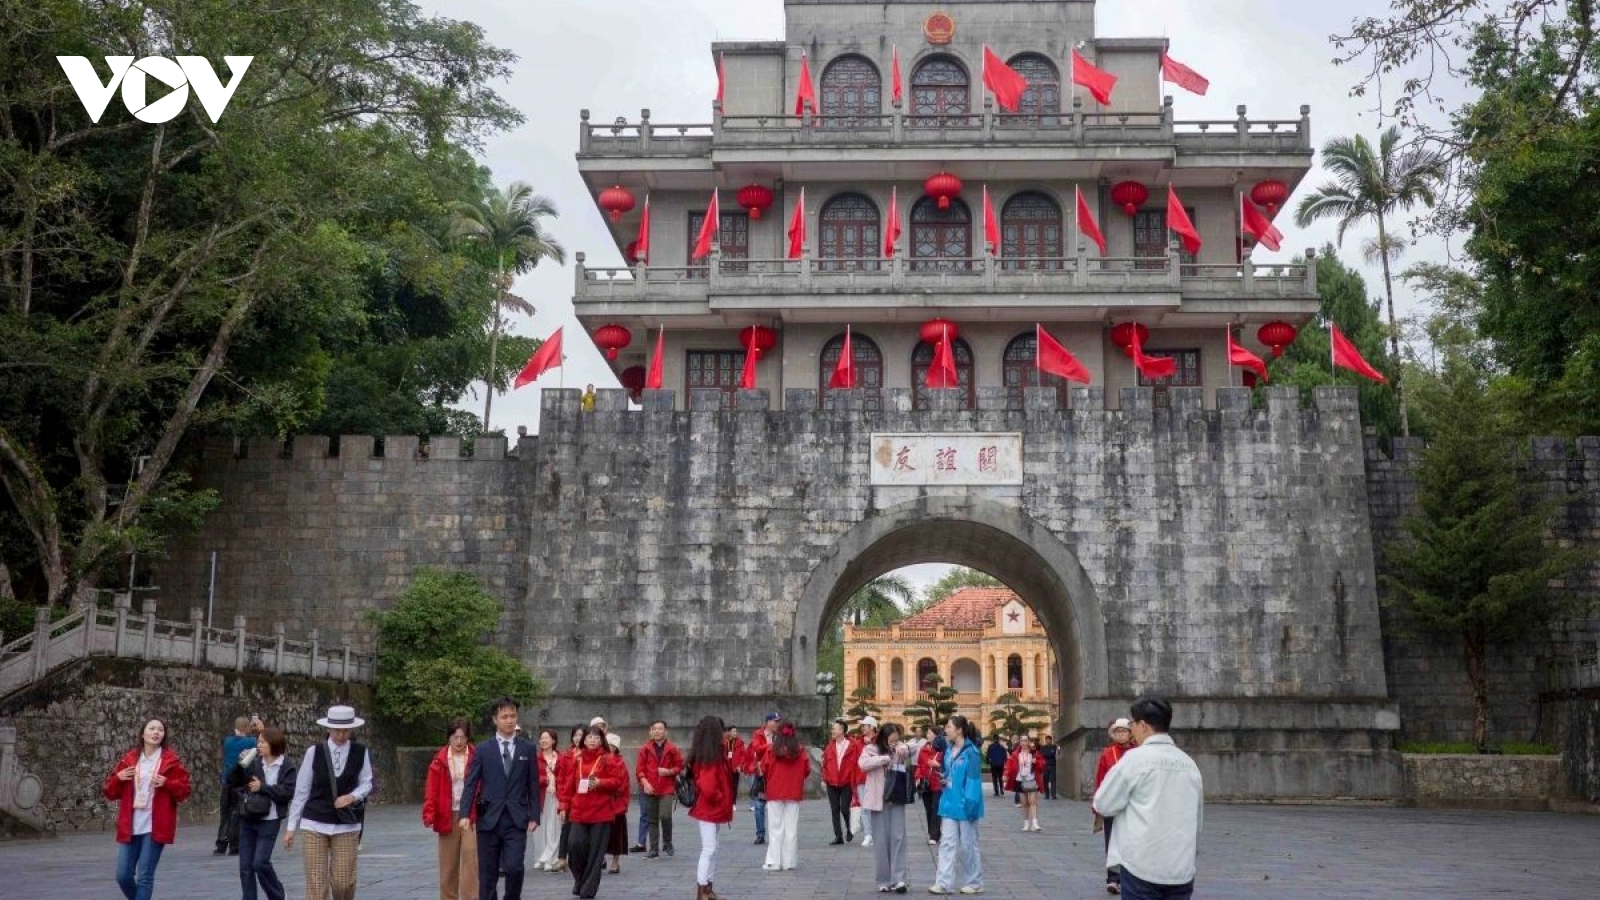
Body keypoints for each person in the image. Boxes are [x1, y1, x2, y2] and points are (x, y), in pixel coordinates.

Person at [1092, 697, 1204, 900]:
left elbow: (1103, 803)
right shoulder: (1189, 764)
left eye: (1132, 724)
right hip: (1181, 868)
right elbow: (1198, 818)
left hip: (1142, 867)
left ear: (1143, 725)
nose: (1131, 729)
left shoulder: (1134, 760)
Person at [285, 704, 375, 900]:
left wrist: (352, 796)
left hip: (346, 824)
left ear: (351, 729)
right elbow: (301, 790)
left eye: (345, 730)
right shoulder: (313, 752)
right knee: (316, 884)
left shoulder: (361, 752)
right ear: (328, 728)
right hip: (314, 823)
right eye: (336, 730)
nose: (340, 735)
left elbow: (367, 783)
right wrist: (291, 827)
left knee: (344, 883)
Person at [460, 697, 542, 900]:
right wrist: (464, 814)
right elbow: (471, 783)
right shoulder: (483, 749)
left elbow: (533, 784)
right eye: (504, 716)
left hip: (516, 819)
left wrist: (534, 815)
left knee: (514, 867)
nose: (509, 720)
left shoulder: (528, 749)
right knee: (487, 873)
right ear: (495, 720)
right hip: (489, 818)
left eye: (512, 715)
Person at [105, 718, 192, 900]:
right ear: (142, 734)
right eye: (151, 728)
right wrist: (118, 778)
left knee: (144, 876)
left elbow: (184, 791)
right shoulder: (129, 760)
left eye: (160, 729)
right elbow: (110, 792)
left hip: (155, 826)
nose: (156, 732)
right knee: (123, 876)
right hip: (131, 825)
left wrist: (167, 783)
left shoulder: (171, 761)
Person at [229, 725, 296, 900]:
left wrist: (262, 787)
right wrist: (239, 764)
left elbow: (287, 792)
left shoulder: (286, 765)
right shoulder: (254, 762)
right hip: (249, 817)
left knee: (260, 862)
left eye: (262, 742)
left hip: (270, 819)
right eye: (258, 742)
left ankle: (277, 894)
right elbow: (232, 782)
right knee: (245, 867)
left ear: (273, 743)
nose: (259, 745)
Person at [561, 724, 627, 899]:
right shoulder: (578, 758)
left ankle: (588, 889)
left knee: (596, 854)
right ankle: (580, 879)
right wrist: (564, 806)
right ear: (583, 739)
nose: (592, 740)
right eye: (589, 737)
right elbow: (569, 786)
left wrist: (600, 783)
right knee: (574, 846)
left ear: (601, 740)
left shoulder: (608, 758)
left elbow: (617, 782)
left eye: (596, 737)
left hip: (601, 812)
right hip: (578, 811)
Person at [422, 718, 477, 900]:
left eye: (462, 737)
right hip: (447, 814)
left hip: (471, 814)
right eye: (455, 737)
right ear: (449, 738)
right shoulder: (439, 760)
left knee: (471, 860)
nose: (459, 742)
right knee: (448, 864)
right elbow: (432, 789)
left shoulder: (477, 757)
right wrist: (429, 812)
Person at [929, 715, 984, 896]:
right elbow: (950, 773)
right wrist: (943, 776)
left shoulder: (972, 753)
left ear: (959, 730)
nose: (946, 730)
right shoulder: (949, 751)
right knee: (947, 844)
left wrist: (971, 805)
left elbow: (974, 782)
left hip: (966, 805)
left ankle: (974, 882)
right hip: (949, 803)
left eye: (949, 727)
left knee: (968, 845)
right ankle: (943, 883)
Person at [686, 715, 735, 900]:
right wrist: (720, 797)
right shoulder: (711, 757)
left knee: (713, 848)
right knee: (709, 849)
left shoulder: (710, 754)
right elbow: (708, 787)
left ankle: (708, 887)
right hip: (710, 807)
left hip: (712, 808)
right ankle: (702, 890)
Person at [860, 721, 911, 894]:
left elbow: (909, 749)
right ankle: (883, 880)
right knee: (881, 841)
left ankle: (899, 879)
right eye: (890, 740)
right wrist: (884, 758)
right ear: (883, 738)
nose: (893, 743)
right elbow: (863, 764)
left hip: (896, 798)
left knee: (898, 838)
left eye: (896, 740)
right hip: (878, 801)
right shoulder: (871, 749)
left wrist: (901, 748)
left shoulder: (899, 748)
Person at [759, 718, 810, 872]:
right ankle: (789, 861)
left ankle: (774, 861)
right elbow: (806, 771)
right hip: (793, 792)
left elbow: (764, 769)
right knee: (791, 828)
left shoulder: (771, 750)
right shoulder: (800, 751)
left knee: (775, 828)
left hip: (775, 791)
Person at [1093, 718, 1136, 894]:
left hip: (1132, 805)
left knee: (1132, 842)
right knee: (1111, 841)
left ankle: (1129, 878)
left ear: (1130, 733)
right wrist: (1098, 806)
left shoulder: (1137, 752)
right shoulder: (1108, 752)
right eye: (1118, 732)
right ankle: (1112, 878)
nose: (1121, 734)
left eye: (1124, 731)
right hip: (1112, 803)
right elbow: (1100, 779)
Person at [637, 719, 683, 858]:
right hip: (649, 788)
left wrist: (668, 771)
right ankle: (654, 848)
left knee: (665, 815)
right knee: (652, 819)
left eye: (660, 728)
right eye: (654, 729)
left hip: (666, 788)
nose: (657, 731)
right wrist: (645, 783)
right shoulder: (645, 749)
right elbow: (639, 770)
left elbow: (679, 766)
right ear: (651, 732)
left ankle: (667, 842)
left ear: (665, 731)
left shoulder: (672, 749)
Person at [218, 715, 256, 854]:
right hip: (241, 782)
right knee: (237, 813)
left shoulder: (227, 741)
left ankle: (221, 844)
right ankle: (235, 845)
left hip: (227, 780)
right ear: (247, 727)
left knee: (225, 814)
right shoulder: (251, 741)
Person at [820, 719, 860, 845]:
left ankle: (849, 829)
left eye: (835, 728)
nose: (833, 730)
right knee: (834, 809)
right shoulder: (830, 746)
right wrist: (825, 777)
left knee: (844, 808)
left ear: (842, 730)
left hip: (846, 781)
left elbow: (857, 763)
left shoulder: (852, 745)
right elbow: (825, 763)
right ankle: (838, 836)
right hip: (831, 782)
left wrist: (854, 779)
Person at [532, 729, 566, 871]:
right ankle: (540, 856)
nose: (544, 741)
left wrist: (555, 779)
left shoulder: (561, 758)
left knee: (555, 827)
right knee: (540, 828)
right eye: (542, 738)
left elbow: (565, 777)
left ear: (553, 741)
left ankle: (551, 857)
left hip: (556, 796)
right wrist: (546, 779)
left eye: (547, 738)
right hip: (541, 795)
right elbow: (531, 778)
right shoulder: (535, 759)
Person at [554, 726, 586, 873]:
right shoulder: (567, 755)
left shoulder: (589, 755)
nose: (577, 738)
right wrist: (562, 801)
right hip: (568, 798)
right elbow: (560, 779)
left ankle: (578, 858)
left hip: (584, 799)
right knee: (565, 826)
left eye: (580, 735)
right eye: (575, 735)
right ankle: (562, 858)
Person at [744, 713, 779, 845]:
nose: (776, 724)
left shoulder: (779, 735)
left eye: (778, 721)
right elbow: (757, 748)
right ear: (768, 722)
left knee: (776, 805)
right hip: (761, 774)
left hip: (776, 774)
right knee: (759, 805)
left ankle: (776, 834)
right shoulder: (759, 734)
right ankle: (760, 834)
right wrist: (770, 746)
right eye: (775, 721)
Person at [1002, 735, 1043, 832]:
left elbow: (1042, 764)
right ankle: (1026, 823)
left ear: (1029, 742)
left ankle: (1035, 823)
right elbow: (1009, 764)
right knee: (1024, 803)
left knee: (1033, 801)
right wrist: (1005, 774)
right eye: (1022, 741)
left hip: (1032, 780)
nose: (1024, 743)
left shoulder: (1034, 753)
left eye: (1026, 740)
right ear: (1020, 742)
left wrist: (1036, 762)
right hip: (1020, 780)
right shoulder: (1016, 754)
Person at [913, 725, 945, 846]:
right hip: (925, 783)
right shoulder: (923, 749)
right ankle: (932, 832)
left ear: (936, 735)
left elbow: (945, 766)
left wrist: (937, 765)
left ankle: (934, 835)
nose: (928, 735)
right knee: (928, 809)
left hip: (937, 783)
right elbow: (920, 765)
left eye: (930, 733)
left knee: (936, 809)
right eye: (928, 733)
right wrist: (917, 777)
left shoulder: (941, 749)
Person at [604, 732, 631, 874]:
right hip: (602, 804)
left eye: (611, 746)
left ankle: (615, 861)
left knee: (616, 835)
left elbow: (623, 784)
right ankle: (599, 858)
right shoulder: (599, 760)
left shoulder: (620, 763)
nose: (608, 748)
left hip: (617, 804)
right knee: (600, 834)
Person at [853, 718, 877, 847]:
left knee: (875, 806)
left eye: (865, 726)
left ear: (872, 727)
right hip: (861, 778)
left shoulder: (879, 742)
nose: (863, 728)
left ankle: (876, 833)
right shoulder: (858, 743)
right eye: (862, 726)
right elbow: (855, 762)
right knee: (864, 807)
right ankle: (868, 834)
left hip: (875, 779)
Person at [722, 724, 746, 808]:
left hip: (736, 768)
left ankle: (733, 803)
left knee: (734, 786)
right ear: (729, 732)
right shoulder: (725, 741)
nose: (735, 733)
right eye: (733, 731)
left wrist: (740, 765)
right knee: (726, 786)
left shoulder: (740, 742)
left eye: (736, 731)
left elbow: (743, 755)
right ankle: (726, 802)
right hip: (726, 768)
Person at [1039, 734, 1058, 800]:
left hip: (1053, 765)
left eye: (1049, 740)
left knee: (1053, 780)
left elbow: (1053, 753)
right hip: (1045, 766)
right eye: (1047, 740)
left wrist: (1048, 754)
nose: (1048, 741)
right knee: (1045, 781)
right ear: (1045, 740)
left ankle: (1053, 795)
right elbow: (1042, 755)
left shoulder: (1054, 747)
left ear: (1051, 740)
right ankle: (1047, 795)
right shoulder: (1043, 747)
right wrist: (1049, 754)